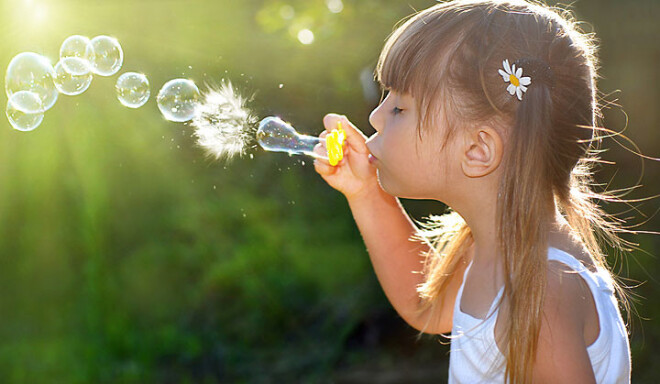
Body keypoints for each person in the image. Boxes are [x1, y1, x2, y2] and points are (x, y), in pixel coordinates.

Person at [313, 0, 632, 382]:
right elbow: (424, 304)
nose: (375, 116)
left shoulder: (545, 294)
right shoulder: (499, 248)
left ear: (478, 150)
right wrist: (365, 191)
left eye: (399, 107)